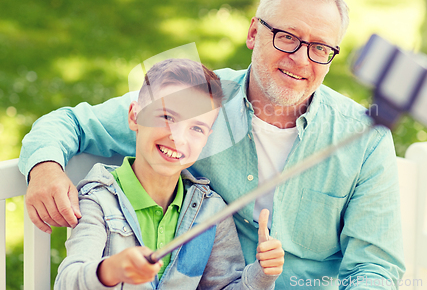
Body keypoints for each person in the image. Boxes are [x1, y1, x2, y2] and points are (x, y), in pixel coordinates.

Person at [20, 0, 405, 289]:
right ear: (254, 32)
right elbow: (70, 122)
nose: (300, 59)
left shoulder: (363, 136)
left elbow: (375, 270)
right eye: (287, 37)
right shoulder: (200, 103)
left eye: (320, 48)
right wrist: (46, 168)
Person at [55, 58, 284, 289]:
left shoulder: (212, 212)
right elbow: (67, 281)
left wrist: (261, 275)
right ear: (135, 116)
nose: (178, 137)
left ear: (206, 138)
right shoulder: (99, 200)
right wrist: (112, 270)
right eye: (167, 117)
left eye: (196, 128)